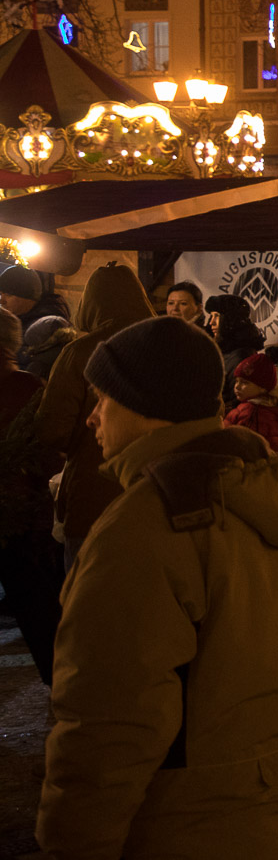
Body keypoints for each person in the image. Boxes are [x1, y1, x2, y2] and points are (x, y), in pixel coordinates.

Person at [40, 315, 278, 860]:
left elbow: (110, 722)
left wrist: (75, 849)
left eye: (103, 399)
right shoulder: (272, 499)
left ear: (145, 405)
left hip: (185, 834)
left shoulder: (145, 526)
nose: (93, 416)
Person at [32, 262, 152, 556]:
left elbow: (52, 430)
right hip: (162, 495)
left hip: (94, 497)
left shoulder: (80, 352)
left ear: (90, 303)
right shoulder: (174, 347)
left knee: (88, 581)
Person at [0, 307, 61, 686]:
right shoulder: (28, 388)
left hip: (20, 516)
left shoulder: (26, 388)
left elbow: (45, 454)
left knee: (36, 607)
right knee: (37, 609)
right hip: (22, 515)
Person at [204, 292, 266, 410]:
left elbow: (239, 402)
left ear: (230, 319)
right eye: (211, 316)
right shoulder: (223, 350)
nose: (211, 322)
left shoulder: (240, 355)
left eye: (217, 316)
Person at [225, 350, 278, 453]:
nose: (237, 386)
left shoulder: (252, 414)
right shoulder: (266, 408)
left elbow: (246, 449)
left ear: (263, 387)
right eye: (237, 381)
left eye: (245, 382)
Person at [0, 263, 69, 332]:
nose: (1, 301)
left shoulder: (46, 328)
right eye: (0, 294)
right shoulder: (13, 320)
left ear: (28, 297)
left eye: (8, 294)